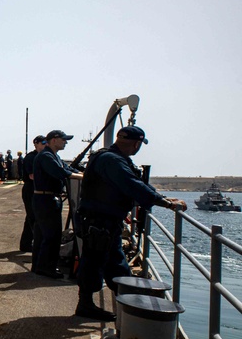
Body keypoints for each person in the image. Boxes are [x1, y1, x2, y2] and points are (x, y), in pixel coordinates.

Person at [75, 125, 187, 321]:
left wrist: (161, 198)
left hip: (108, 222)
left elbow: (135, 183)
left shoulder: (111, 158)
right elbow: (131, 184)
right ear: (136, 144)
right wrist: (166, 203)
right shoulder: (112, 161)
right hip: (100, 222)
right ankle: (86, 305)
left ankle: (128, 309)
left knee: (116, 265)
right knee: (94, 262)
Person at [31, 130, 82, 278]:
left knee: (42, 235)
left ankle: (39, 266)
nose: (65, 142)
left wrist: (81, 173)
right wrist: (82, 177)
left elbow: (67, 169)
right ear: (54, 140)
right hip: (46, 200)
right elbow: (60, 172)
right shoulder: (46, 156)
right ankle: (47, 269)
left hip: (46, 199)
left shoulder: (53, 156)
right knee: (52, 236)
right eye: (63, 140)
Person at [19, 137, 45, 253]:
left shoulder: (43, 157)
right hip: (31, 189)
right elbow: (31, 175)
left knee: (32, 217)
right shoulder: (31, 157)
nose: (45, 144)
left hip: (38, 189)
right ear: (36, 144)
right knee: (32, 217)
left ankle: (26, 244)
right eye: (43, 143)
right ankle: (34, 244)